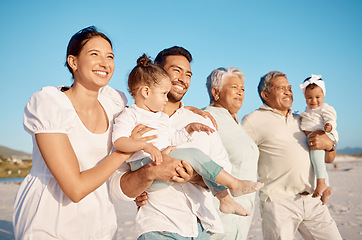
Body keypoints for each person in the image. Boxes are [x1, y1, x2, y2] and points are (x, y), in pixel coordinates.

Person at [12, 26, 137, 239]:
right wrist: (124, 151)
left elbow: (146, 113)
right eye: (94, 54)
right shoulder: (50, 104)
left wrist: (187, 111)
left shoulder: (112, 103)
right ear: (73, 62)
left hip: (99, 219)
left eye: (110, 56)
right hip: (50, 218)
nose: (105, 63)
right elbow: (75, 188)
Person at [109, 46, 239, 239]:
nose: (183, 79)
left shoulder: (202, 122)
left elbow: (224, 167)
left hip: (201, 228)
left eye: (188, 74)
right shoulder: (133, 121)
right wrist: (146, 175)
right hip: (157, 227)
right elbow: (116, 185)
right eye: (176, 70)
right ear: (157, 72)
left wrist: (193, 176)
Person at [241, 71, 342, 239]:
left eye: (289, 87)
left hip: (313, 198)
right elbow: (235, 154)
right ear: (265, 95)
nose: (288, 91)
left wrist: (330, 145)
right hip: (279, 202)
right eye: (282, 88)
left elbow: (329, 159)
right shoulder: (252, 120)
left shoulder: (303, 119)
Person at [204, 67, 259, 240]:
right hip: (218, 220)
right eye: (234, 87)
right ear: (216, 91)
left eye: (242, 88)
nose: (240, 92)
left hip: (241, 219)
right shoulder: (207, 118)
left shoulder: (235, 123)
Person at [299, 74, 338, 203]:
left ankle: (321, 183)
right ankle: (326, 187)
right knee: (318, 162)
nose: (313, 100)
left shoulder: (324, 108)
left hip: (324, 134)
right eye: (309, 97)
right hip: (315, 137)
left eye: (317, 97)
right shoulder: (307, 110)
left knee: (317, 158)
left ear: (323, 96)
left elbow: (331, 118)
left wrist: (329, 126)